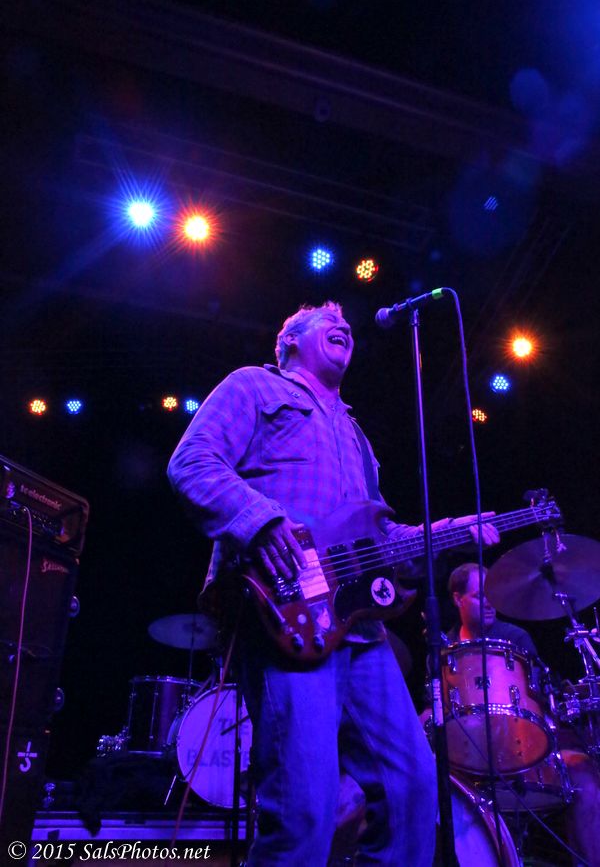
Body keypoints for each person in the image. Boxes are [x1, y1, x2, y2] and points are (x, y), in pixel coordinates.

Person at [167, 301, 499, 866]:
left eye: (346, 324)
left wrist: (449, 532)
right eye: (327, 319)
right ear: (291, 342)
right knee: (305, 808)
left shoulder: (355, 434)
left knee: (414, 788)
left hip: (358, 629)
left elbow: (379, 535)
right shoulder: (254, 386)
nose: (343, 324)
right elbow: (192, 462)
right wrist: (259, 518)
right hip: (285, 613)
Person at [446, 561, 600, 867]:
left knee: (583, 773)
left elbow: (540, 704)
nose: (489, 603)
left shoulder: (515, 638)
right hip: (467, 763)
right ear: (457, 599)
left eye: (492, 594)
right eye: (479, 596)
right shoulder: (444, 649)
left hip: (523, 750)